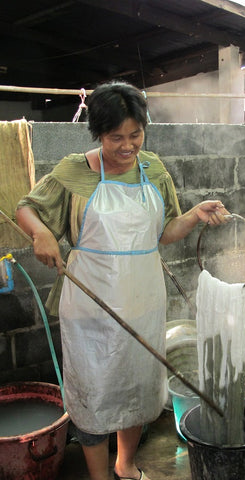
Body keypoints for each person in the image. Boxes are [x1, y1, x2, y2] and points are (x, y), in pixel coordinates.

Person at [16, 81, 229, 480]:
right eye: (117, 137)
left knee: (138, 389)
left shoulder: (153, 169)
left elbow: (164, 232)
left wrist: (195, 214)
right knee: (94, 394)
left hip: (144, 300)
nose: (128, 146)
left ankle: (125, 466)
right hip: (90, 307)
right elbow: (25, 207)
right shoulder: (73, 171)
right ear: (98, 133)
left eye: (136, 135)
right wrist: (42, 233)